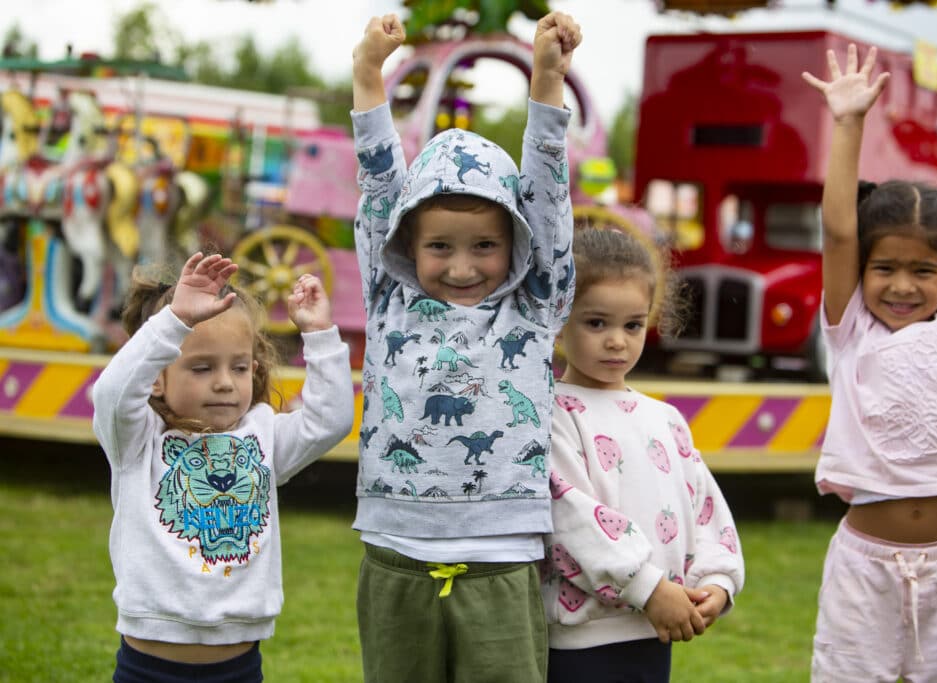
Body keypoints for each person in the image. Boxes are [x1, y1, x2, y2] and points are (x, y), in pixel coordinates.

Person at [350, 11, 580, 683]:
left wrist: (546, 77)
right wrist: (368, 75)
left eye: (484, 245)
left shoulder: (535, 303)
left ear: (515, 241)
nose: (461, 266)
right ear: (406, 245)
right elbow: (379, 186)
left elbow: (547, 187)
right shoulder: (388, 293)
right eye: (439, 246)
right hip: (395, 545)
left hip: (502, 552)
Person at [802, 45, 937, 681]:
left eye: (922, 270)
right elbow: (840, 230)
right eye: (885, 269)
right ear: (863, 272)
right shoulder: (851, 330)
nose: (902, 285)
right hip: (864, 566)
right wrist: (849, 122)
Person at [92, 252, 354, 682]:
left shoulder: (264, 435)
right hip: (147, 668)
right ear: (157, 376)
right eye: (201, 367)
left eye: (237, 368)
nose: (223, 382)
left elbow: (331, 420)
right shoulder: (137, 439)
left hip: (240, 668)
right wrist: (174, 320)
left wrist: (320, 333)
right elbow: (112, 393)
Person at [542, 227, 744, 683]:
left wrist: (718, 580)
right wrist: (648, 589)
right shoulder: (552, 412)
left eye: (632, 324)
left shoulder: (666, 419)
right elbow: (568, 516)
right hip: (582, 644)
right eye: (597, 323)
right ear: (558, 317)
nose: (617, 340)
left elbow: (705, 508)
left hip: (656, 633)